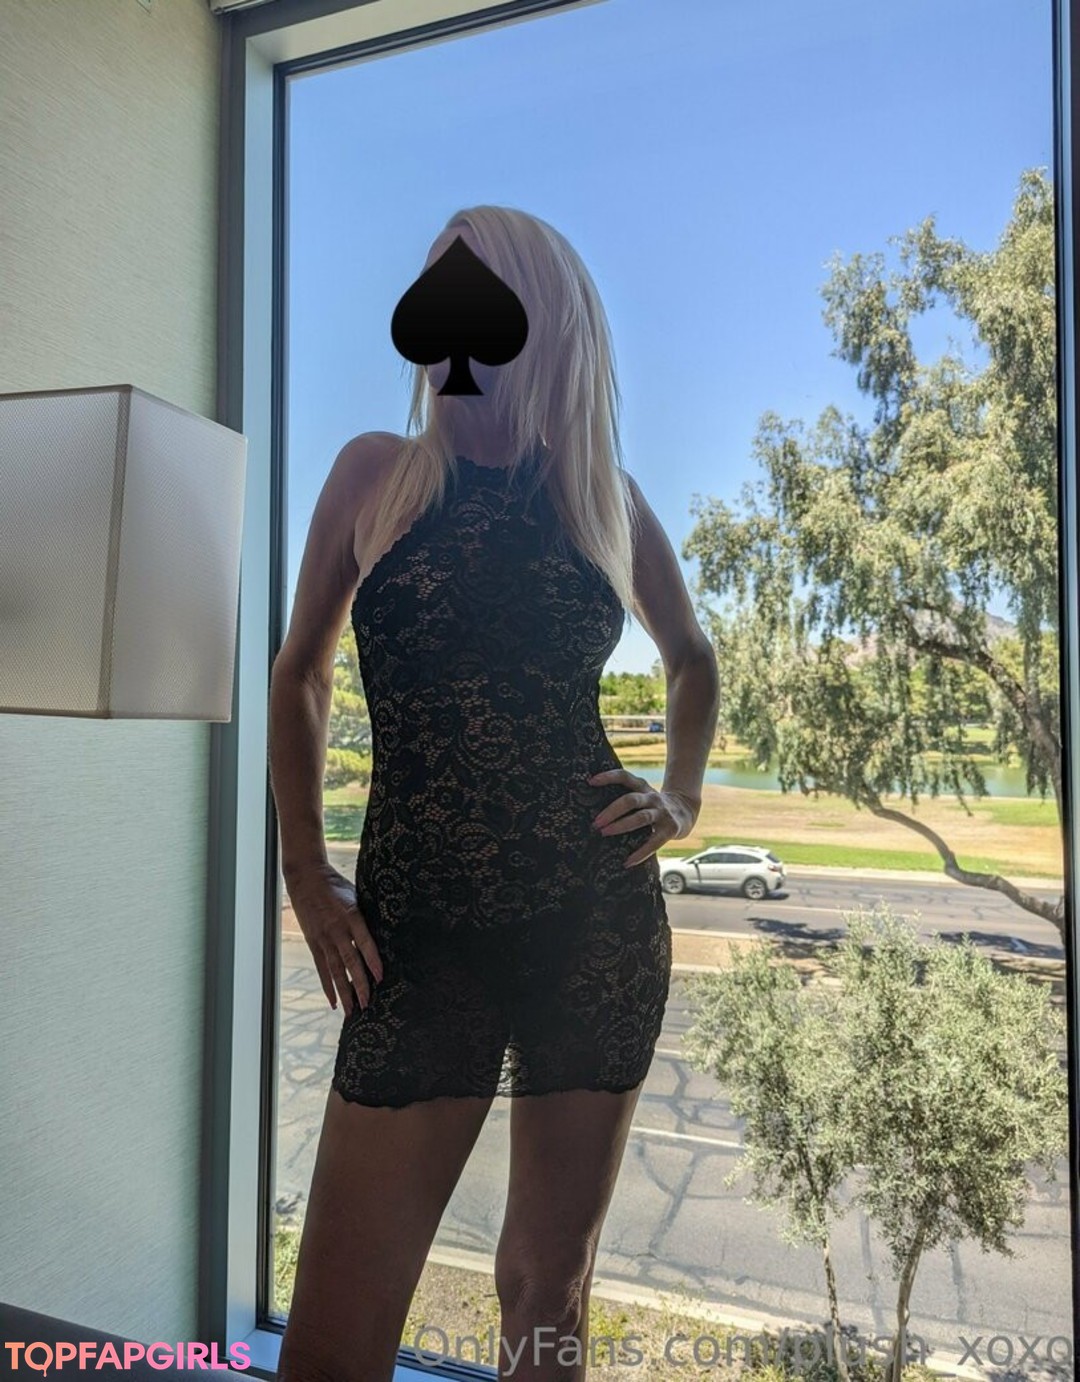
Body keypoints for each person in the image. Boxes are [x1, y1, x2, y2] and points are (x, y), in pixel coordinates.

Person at [269, 205, 720, 1382]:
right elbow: (300, 671)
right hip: (416, 941)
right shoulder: (375, 475)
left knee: (546, 1284)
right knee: (333, 1333)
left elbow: (692, 658)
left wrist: (681, 796)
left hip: (594, 928)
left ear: (547, 325)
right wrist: (306, 871)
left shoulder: (603, 499)